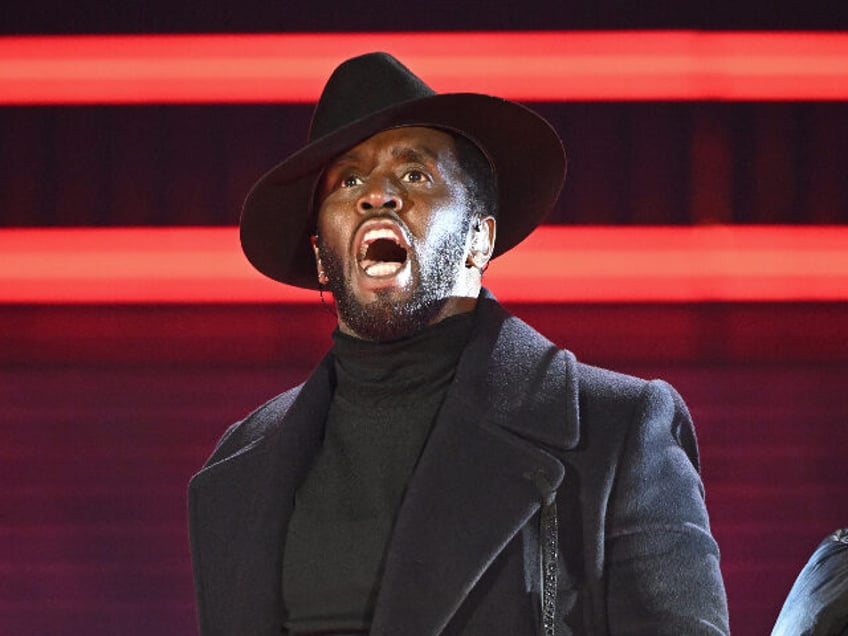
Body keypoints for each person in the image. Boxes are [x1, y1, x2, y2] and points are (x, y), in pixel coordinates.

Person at [188, 52, 729, 635]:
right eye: (349, 181)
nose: (378, 195)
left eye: (414, 174)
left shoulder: (614, 430)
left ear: (478, 239)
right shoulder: (239, 468)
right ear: (322, 254)